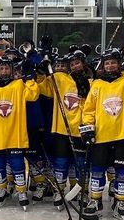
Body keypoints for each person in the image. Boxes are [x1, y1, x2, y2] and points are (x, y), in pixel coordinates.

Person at [79, 48, 124, 220]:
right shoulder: (97, 84)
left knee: (122, 171)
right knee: (97, 170)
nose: (110, 66)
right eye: (107, 63)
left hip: (123, 135)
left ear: (119, 64)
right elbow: (89, 110)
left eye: (113, 62)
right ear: (103, 65)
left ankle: (121, 201)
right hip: (101, 136)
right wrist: (88, 128)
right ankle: (95, 201)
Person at [0, 54, 40, 209]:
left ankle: (21, 191)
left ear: (11, 70)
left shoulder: (18, 85)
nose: (4, 71)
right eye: (1, 68)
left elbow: (33, 95)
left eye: (7, 68)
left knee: (17, 164)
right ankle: (1, 189)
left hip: (15, 134)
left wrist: (30, 78)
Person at [38, 50, 91, 210]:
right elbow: (42, 88)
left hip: (82, 129)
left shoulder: (92, 81)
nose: (74, 66)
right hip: (62, 129)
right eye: (71, 64)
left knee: (81, 163)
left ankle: (82, 192)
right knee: (60, 162)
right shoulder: (60, 79)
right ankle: (59, 191)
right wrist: (41, 70)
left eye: (77, 63)